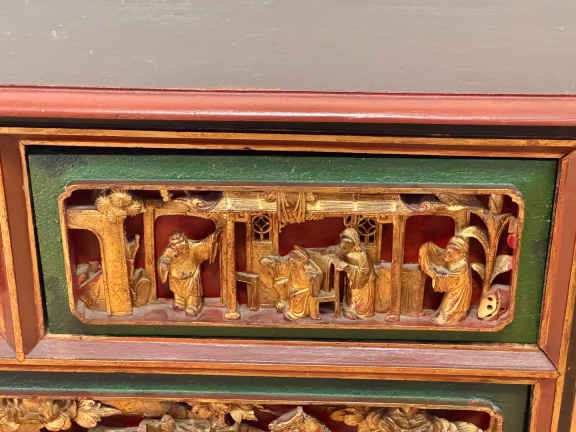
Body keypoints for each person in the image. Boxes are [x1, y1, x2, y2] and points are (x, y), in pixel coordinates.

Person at [158, 229, 221, 316]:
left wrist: (214, 237)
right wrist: (163, 264)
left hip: (191, 275)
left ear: (185, 239)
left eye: (181, 241)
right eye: (175, 244)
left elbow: (205, 245)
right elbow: (164, 258)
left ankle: (193, 305)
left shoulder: (193, 247)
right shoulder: (170, 250)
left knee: (193, 293)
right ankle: (180, 302)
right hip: (176, 276)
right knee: (177, 292)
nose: (179, 245)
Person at [418, 234, 472, 324]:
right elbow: (443, 260)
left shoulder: (462, 265)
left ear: (460, 253)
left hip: (457, 294)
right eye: (448, 249)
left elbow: (450, 282)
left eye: (451, 252)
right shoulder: (456, 259)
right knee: (445, 310)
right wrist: (428, 249)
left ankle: (451, 317)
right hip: (454, 291)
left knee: (447, 313)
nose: (447, 253)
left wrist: (434, 275)